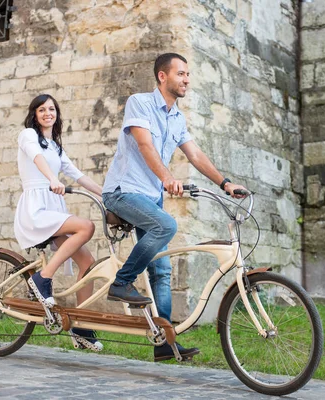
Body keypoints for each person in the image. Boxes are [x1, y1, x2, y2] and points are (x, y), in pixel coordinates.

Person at [102, 53, 247, 362]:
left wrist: (225, 183)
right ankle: (122, 283)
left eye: (188, 74)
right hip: (123, 192)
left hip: (150, 197)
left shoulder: (177, 117)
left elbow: (194, 154)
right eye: (181, 74)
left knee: (162, 269)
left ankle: (163, 342)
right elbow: (145, 145)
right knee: (167, 225)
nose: (187, 79)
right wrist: (167, 177)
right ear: (162, 77)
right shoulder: (139, 103)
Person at [14, 94, 104, 352]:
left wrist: (108, 195)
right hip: (36, 208)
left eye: (51, 109)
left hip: (52, 208)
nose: (47, 113)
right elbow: (36, 158)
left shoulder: (55, 147)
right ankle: (43, 278)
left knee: (88, 262)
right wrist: (53, 179)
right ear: (35, 114)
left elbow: (79, 175)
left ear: (57, 113)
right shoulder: (28, 136)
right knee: (86, 226)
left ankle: (80, 325)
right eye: (41, 109)